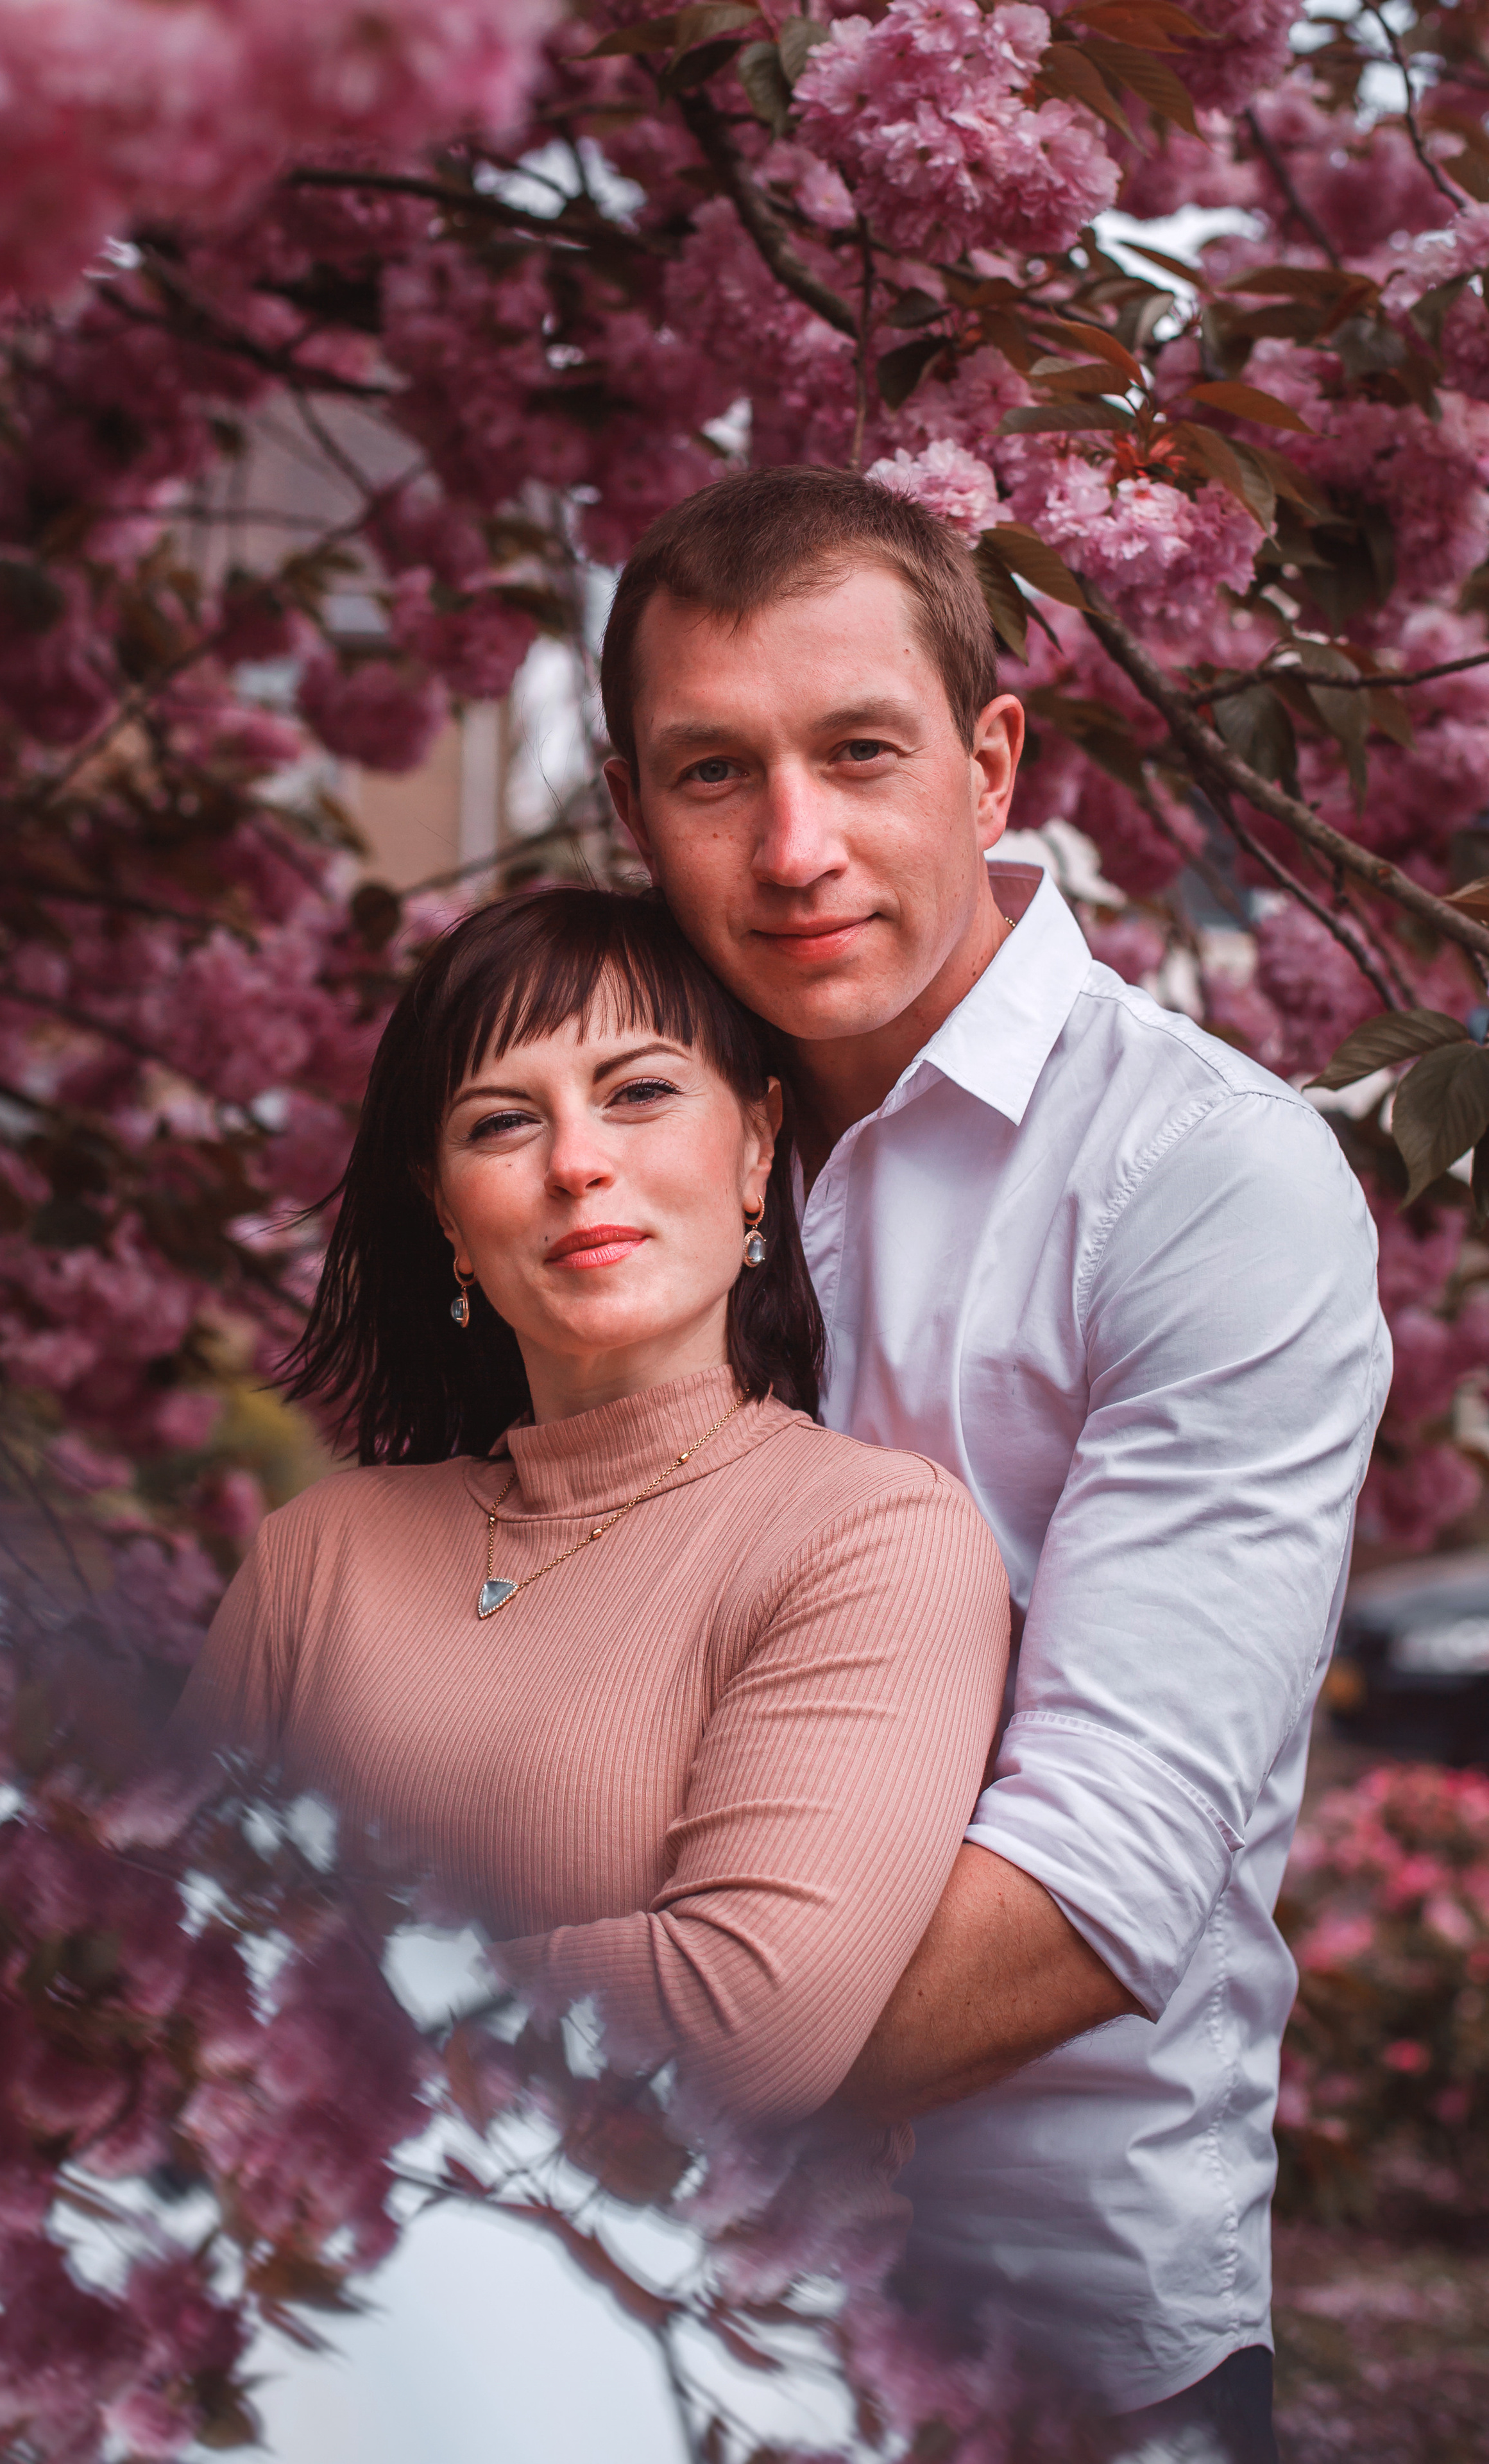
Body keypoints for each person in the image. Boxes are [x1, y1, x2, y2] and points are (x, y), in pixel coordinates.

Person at [598, 465, 1391, 2460]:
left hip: (1053, 2357)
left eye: (860, 752)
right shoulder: (602, 1150)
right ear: (635, 812)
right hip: (621, 2339)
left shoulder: (1204, 1180)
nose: (796, 848)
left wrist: (570, 2063)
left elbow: (1093, 1887)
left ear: (990, 762)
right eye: (714, 774)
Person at [172, 887, 1010, 2135]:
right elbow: (158, 1950)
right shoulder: (320, 1553)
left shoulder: (874, 1540)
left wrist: (302, 1991)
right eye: (503, 1122)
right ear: (449, 1212)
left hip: (612, 2312)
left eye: (637, 1093)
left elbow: (746, 2019)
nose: (575, 1161)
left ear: (751, 1144)